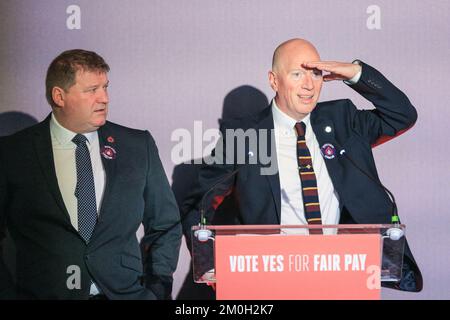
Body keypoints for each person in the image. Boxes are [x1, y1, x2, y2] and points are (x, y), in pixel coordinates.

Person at [182, 38, 422, 292]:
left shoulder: (342, 120)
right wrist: (212, 266)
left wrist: (355, 73)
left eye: (316, 74)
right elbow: (198, 206)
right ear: (274, 80)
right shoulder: (244, 137)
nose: (309, 85)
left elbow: (402, 115)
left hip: (340, 272)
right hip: (269, 279)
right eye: (297, 74)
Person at [0, 49, 181, 299]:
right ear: (59, 96)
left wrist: (157, 289)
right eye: (91, 90)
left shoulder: (137, 146)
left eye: (105, 87)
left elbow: (165, 224)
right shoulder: (12, 153)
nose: (104, 98)